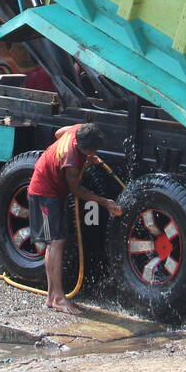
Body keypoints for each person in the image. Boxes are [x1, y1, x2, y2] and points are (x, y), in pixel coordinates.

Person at [27, 123, 122, 314]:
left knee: (54, 243)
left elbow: (57, 133)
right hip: (44, 193)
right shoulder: (71, 161)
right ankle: (59, 299)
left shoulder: (76, 129)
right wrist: (104, 202)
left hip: (50, 188)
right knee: (56, 243)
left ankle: (51, 297)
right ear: (83, 147)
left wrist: (86, 159)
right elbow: (76, 190)